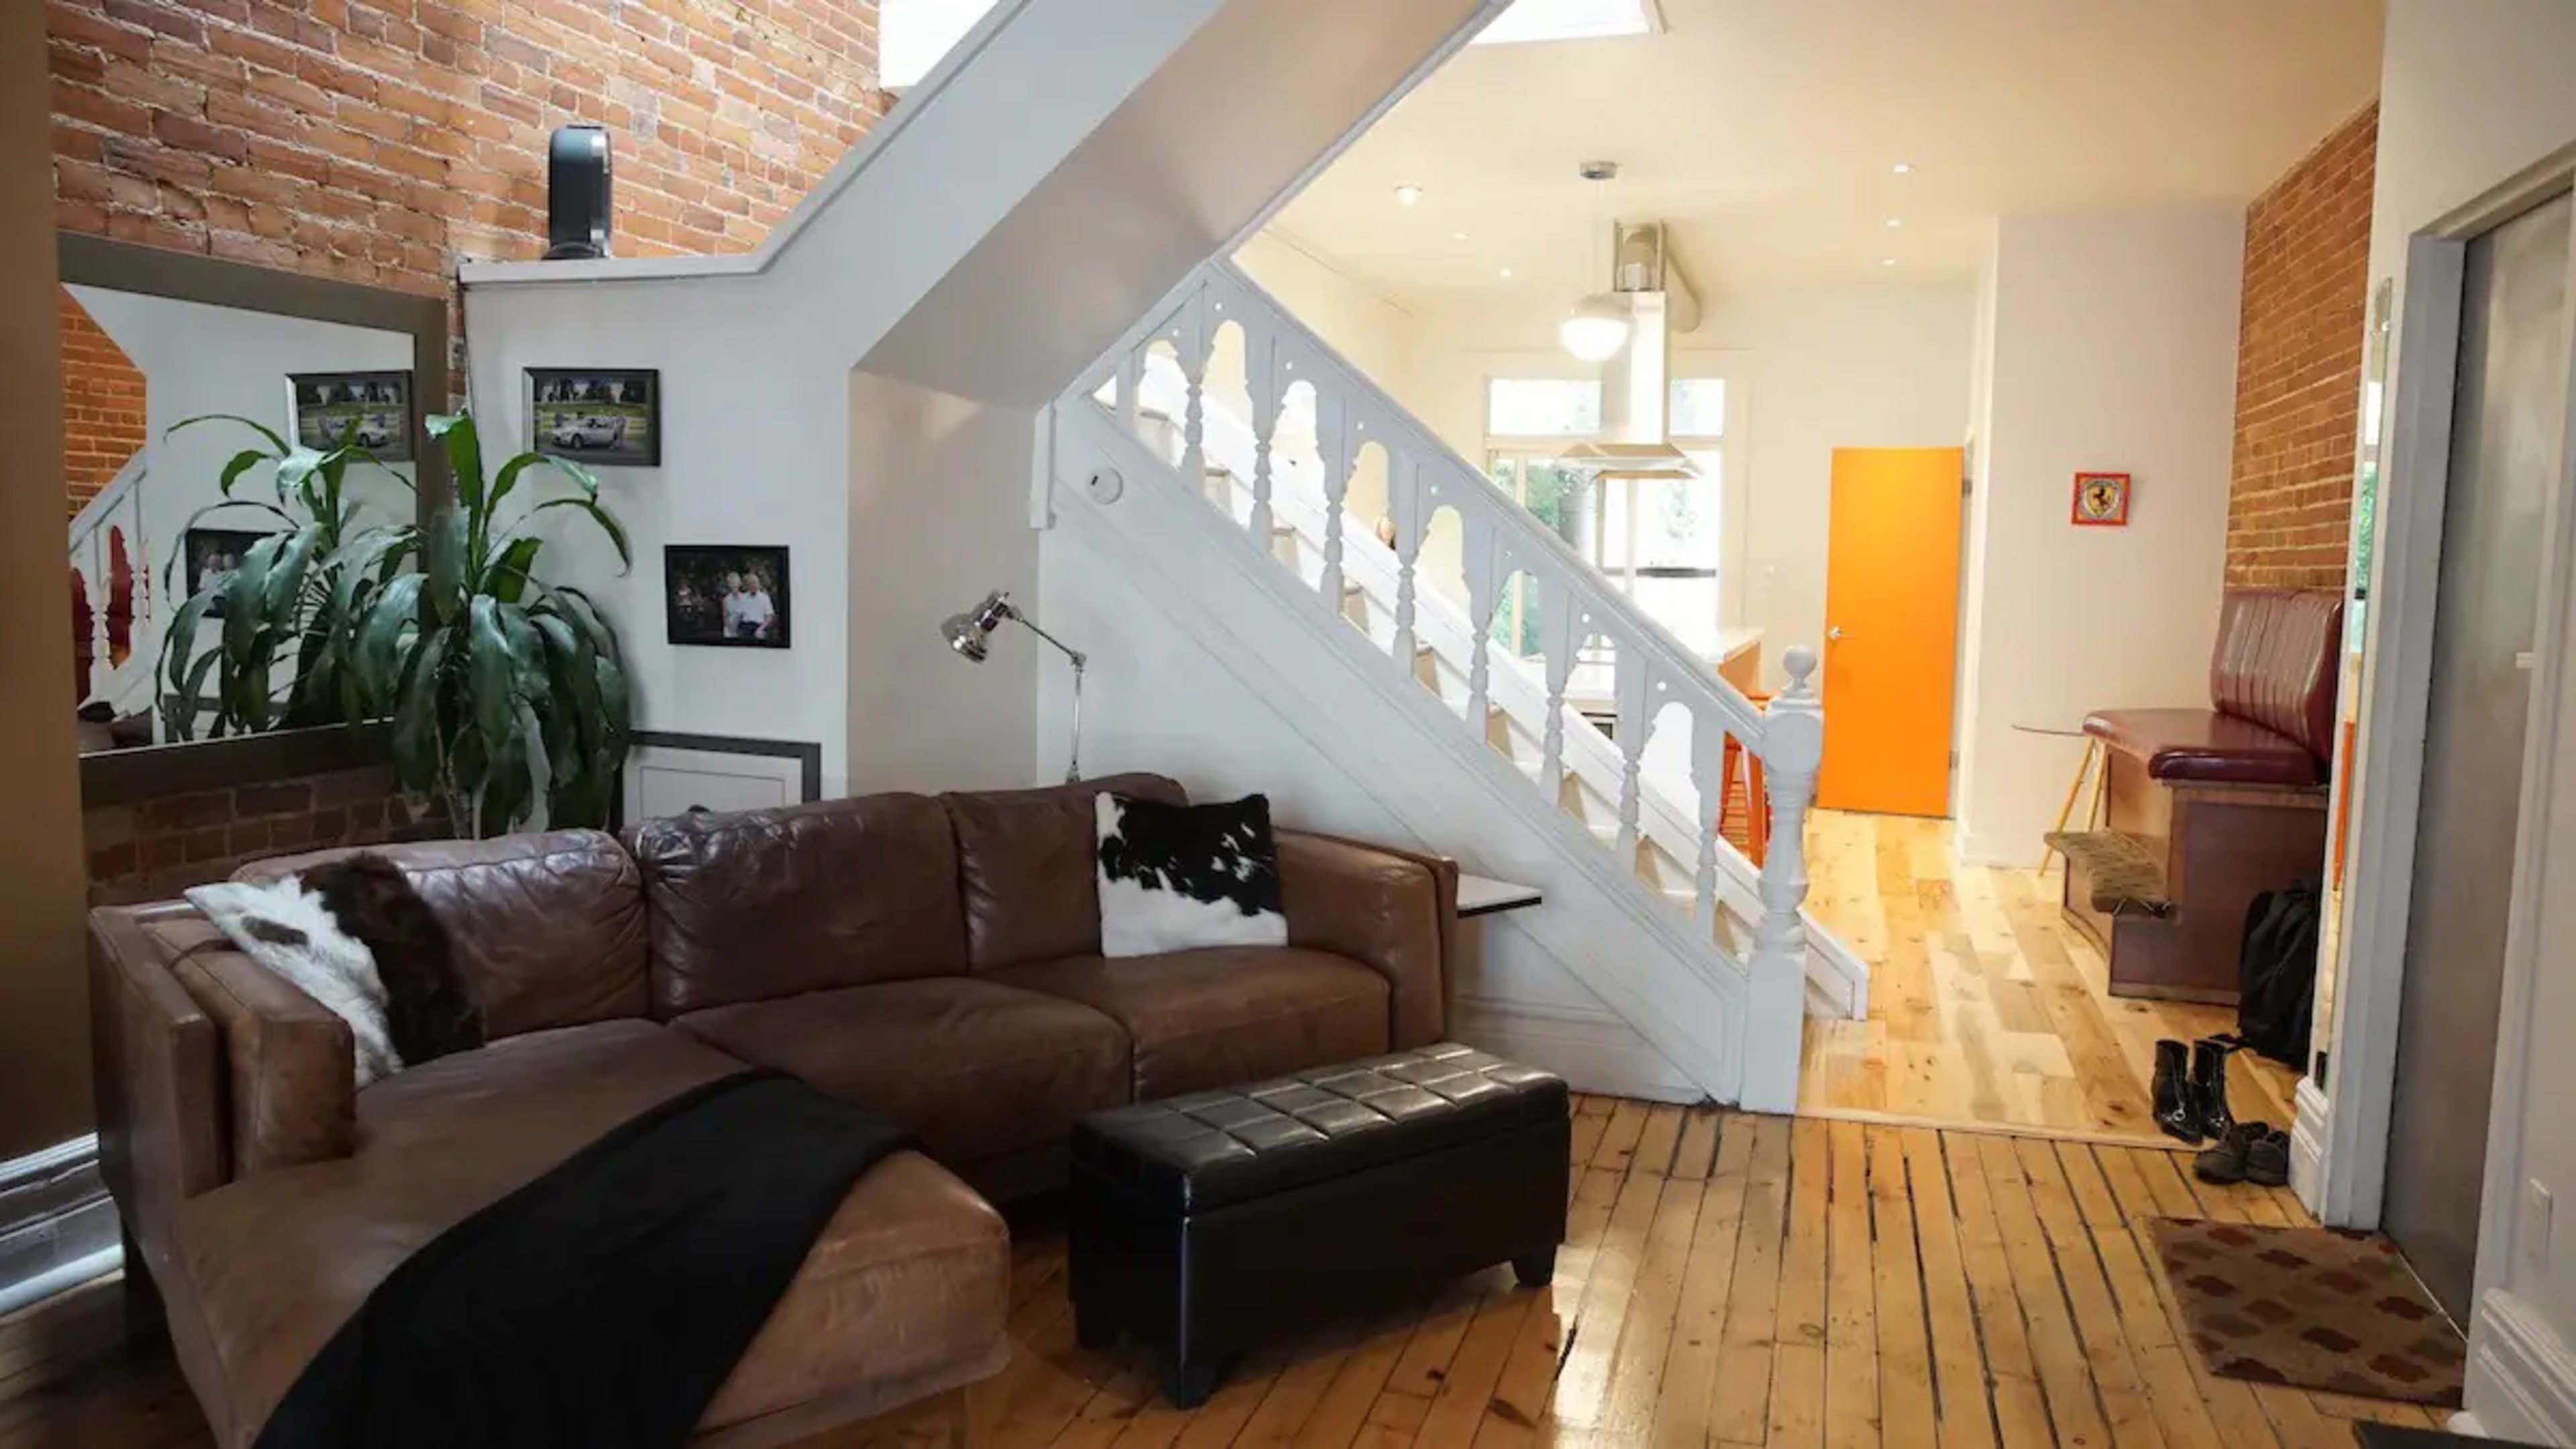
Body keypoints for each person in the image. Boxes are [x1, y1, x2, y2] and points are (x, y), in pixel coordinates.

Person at [735, 569, 776, 640]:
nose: (752, 585)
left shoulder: (765, 598)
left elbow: (770, 617)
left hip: (760, 626)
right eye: (750, 583)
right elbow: (738, 616)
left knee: (760, 637)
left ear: (758, 584)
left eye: (754, 583)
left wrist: (761, 629)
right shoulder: (742, 598)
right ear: (747, 585)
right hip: (745, 627)